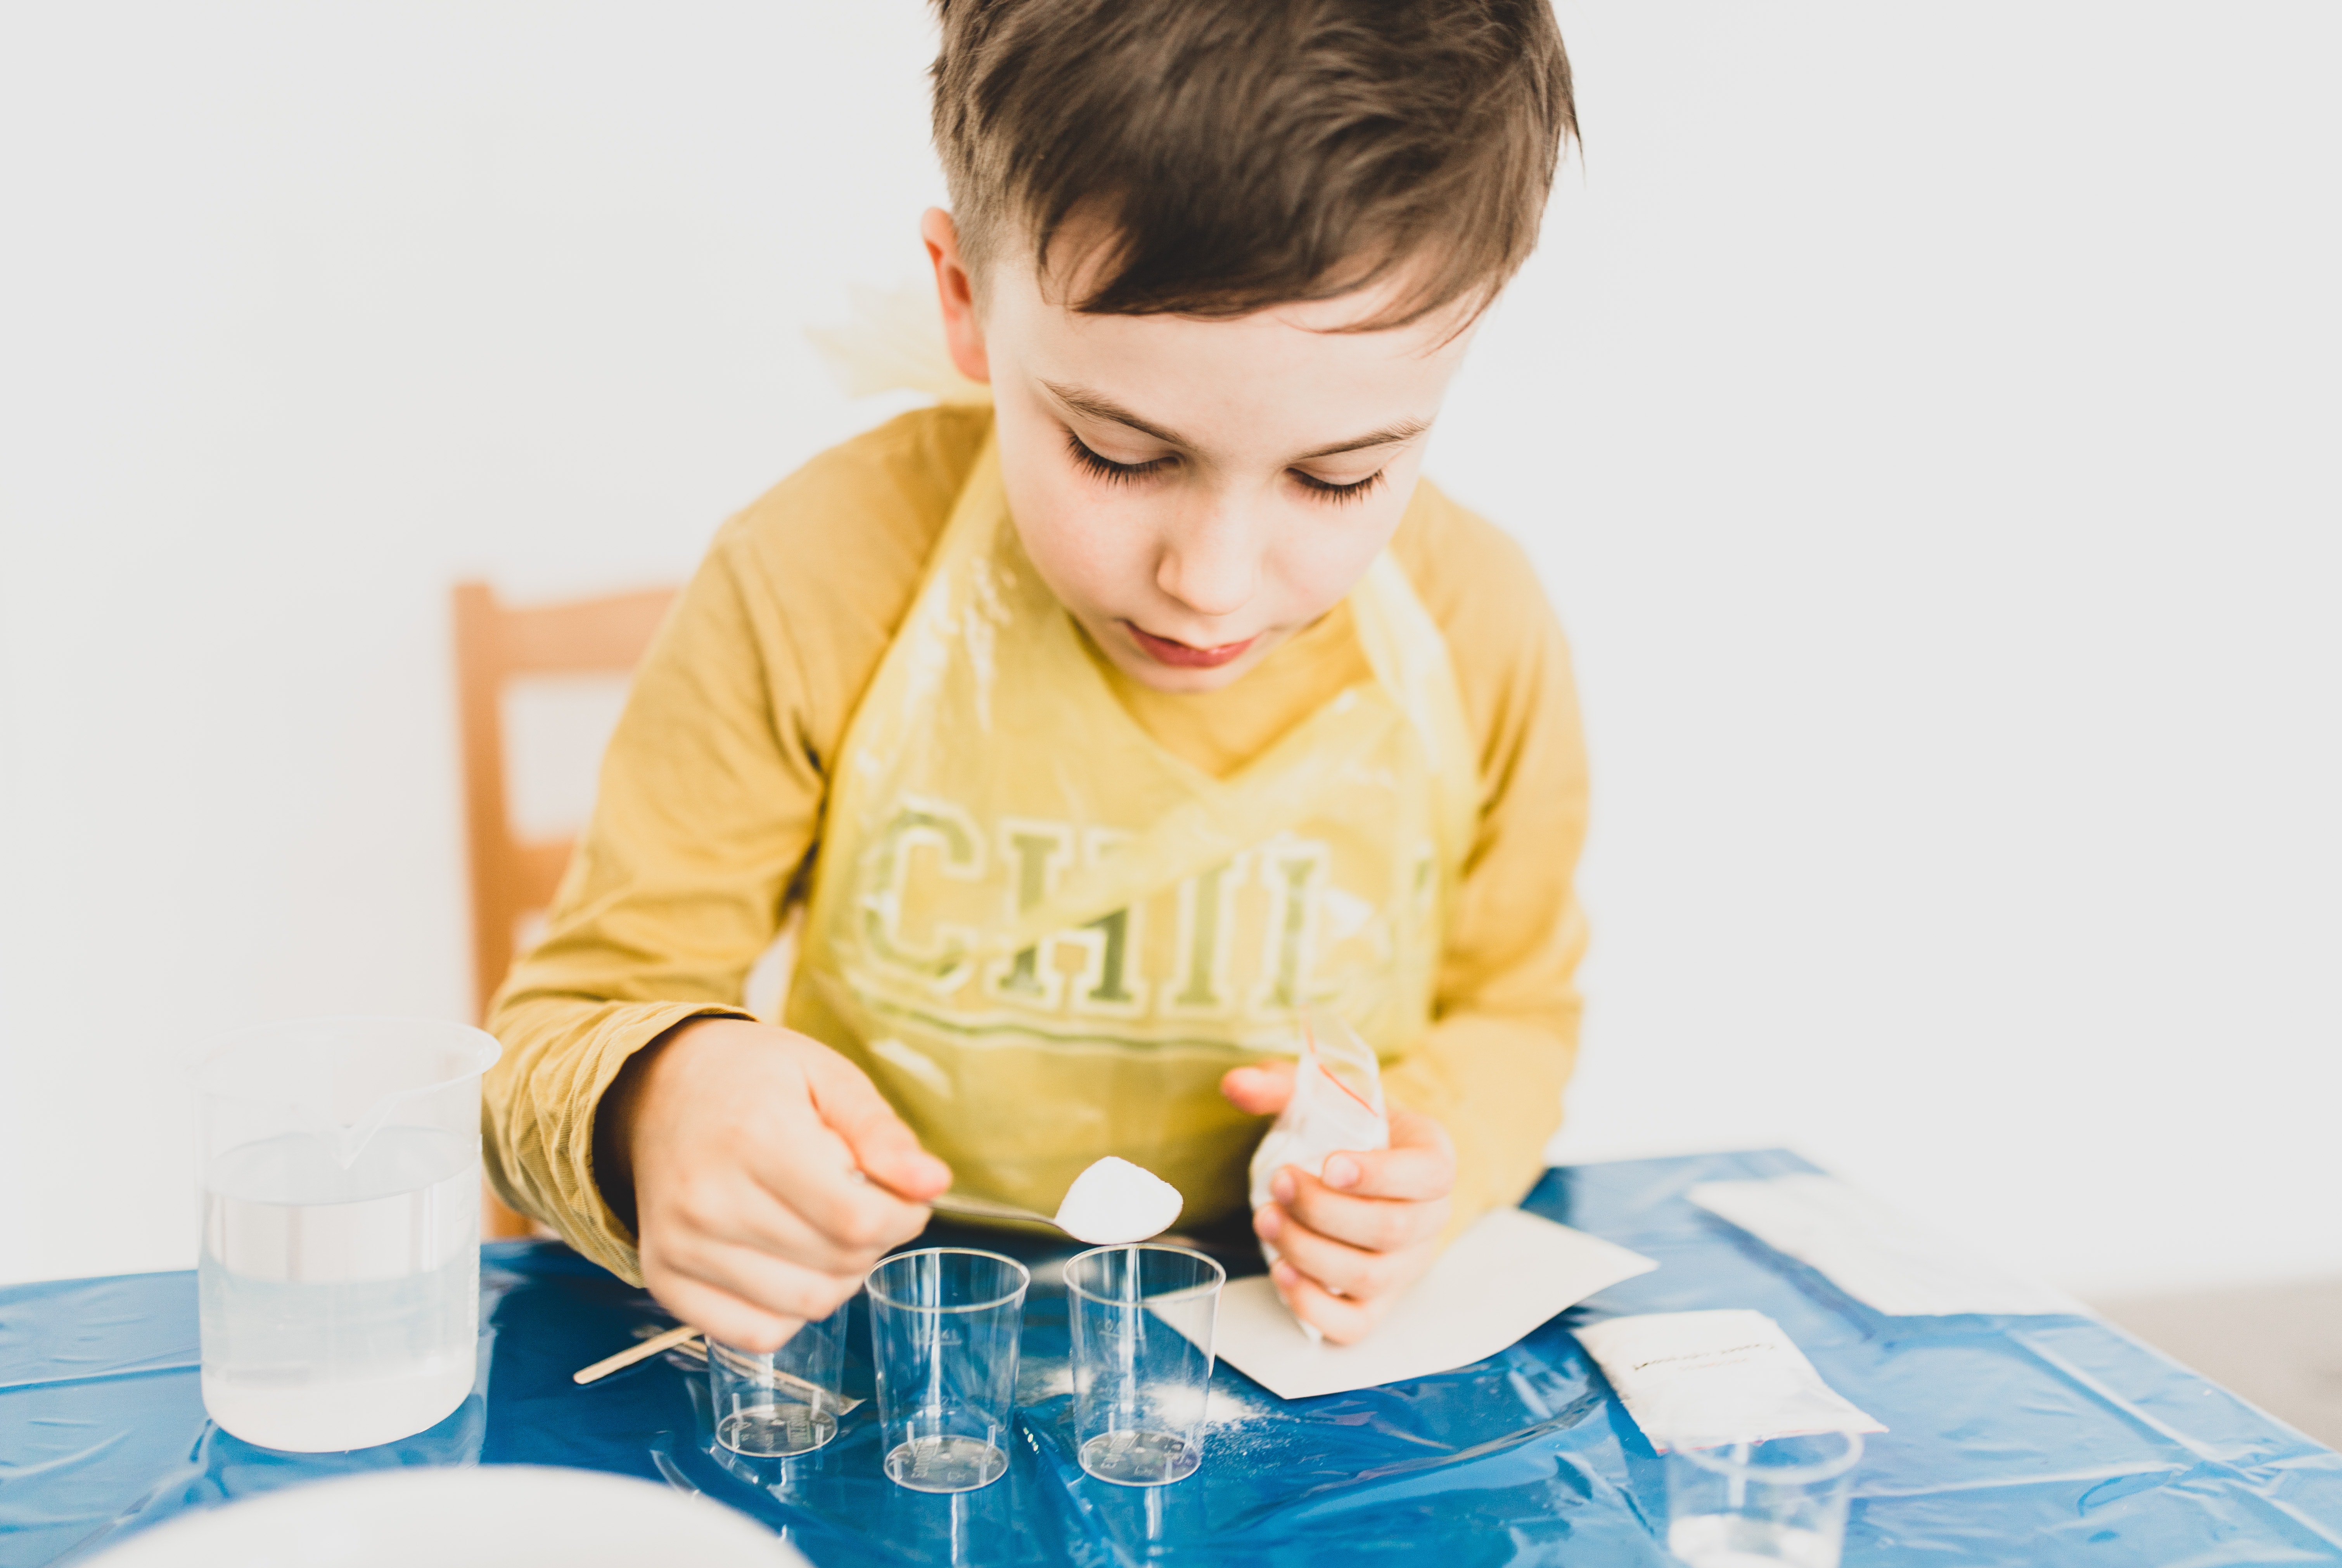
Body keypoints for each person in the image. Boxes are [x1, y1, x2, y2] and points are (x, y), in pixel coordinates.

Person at [483, 0, 1588, 1352]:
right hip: (899, 1331)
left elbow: (1517, 1007)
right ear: (964, 301)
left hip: (1278, 1341)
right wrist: (656, 1095)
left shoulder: (1479, 624)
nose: (1215, 579)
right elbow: (548, 1042)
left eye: (1339, 474)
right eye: (1122, 453)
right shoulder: (818, 577)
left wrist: (1439, 1154)